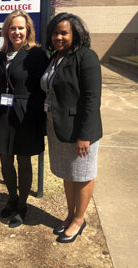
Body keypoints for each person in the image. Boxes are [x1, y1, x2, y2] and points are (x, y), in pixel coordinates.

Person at [40, 12, 102, 243]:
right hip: (58, 127)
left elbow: (91, 99)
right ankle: (70, 215)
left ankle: (79, 220)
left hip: (80, 131)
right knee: (68, 173)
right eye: (55, 33)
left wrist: (85, 136)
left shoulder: (86, 57)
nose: (58, 37)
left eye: (64, 33)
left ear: (75, 33)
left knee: (83, 174)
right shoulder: (56, 57)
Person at [0, 10, 49, 228]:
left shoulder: (36, 54)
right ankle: (12, 198)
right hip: (3, 112)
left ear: (28, 31)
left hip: (26, 114)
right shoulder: (1, 54)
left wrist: (41, 116)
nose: (17, 32)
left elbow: (44, 88)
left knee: (23, 161)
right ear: (6, 31)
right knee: (5, 159)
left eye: (21, 28)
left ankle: (22, 205)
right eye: (13, 28)